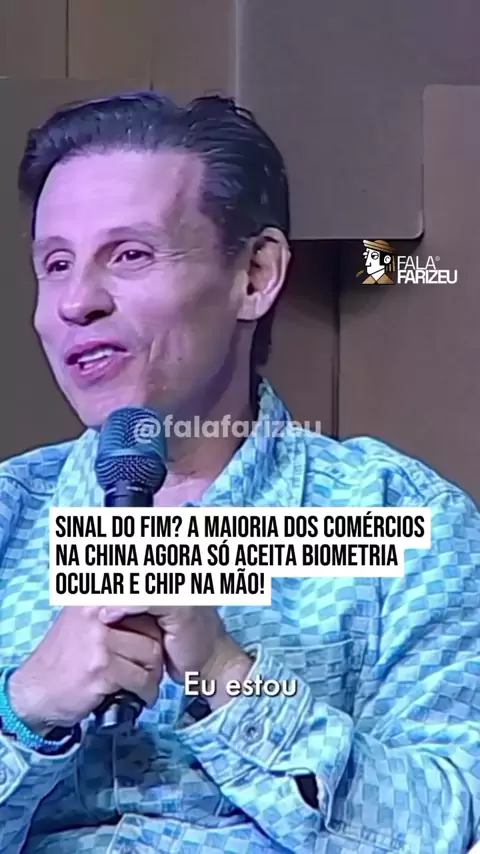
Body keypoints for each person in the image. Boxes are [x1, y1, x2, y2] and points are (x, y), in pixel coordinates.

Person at [0, 91, 478, 854]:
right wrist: (23, 712)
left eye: (130, 255)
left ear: (255, 274)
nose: (77, 302)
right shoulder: (10, 513)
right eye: (55, 264)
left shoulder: (400, 518)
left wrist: (230, 679)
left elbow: (451, 826)